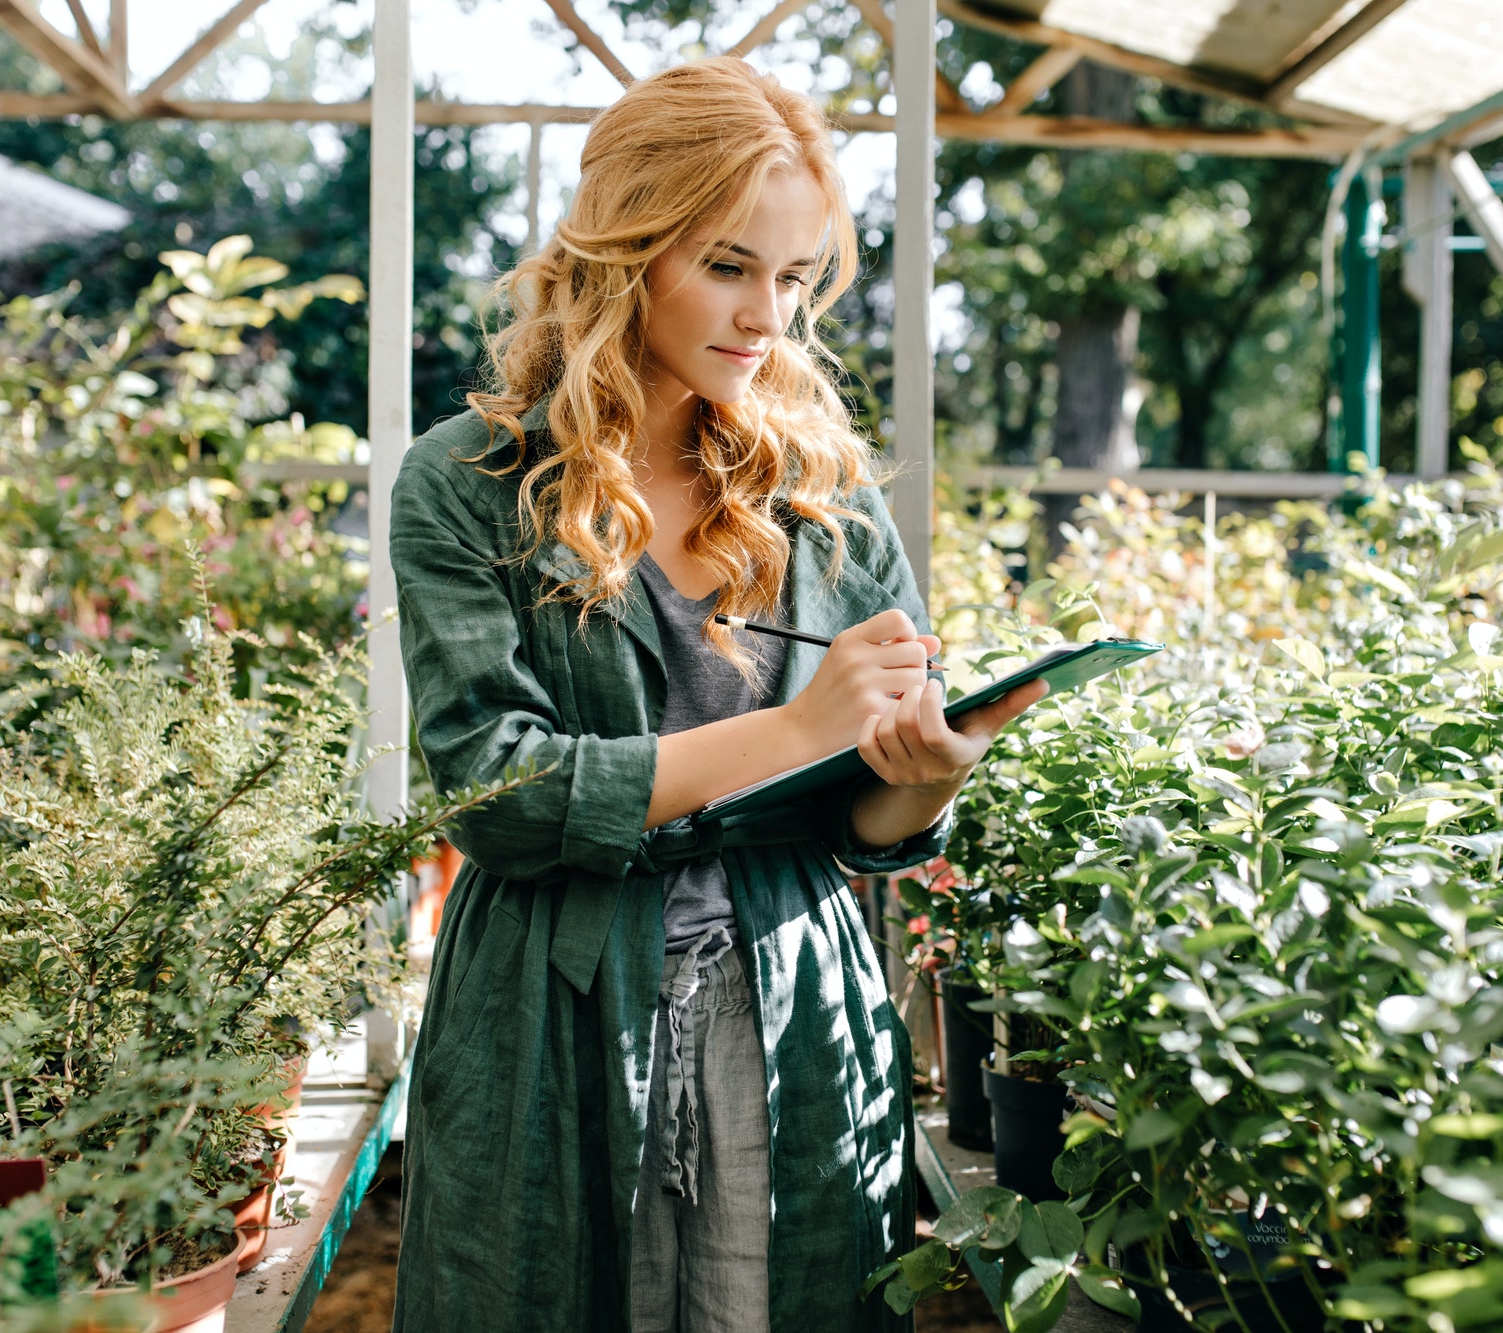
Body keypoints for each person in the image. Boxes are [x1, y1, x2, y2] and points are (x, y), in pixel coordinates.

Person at [387, 55, 1045, 1333]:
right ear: (624, 249)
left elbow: (859, 825)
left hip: (791, 999)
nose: (769, 318)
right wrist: (794, 728)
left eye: (795, 278)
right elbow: (498, 793)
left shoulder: (825, 495)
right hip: (556, 1006)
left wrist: (919, 780)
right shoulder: (470, 483)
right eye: (730, 265)